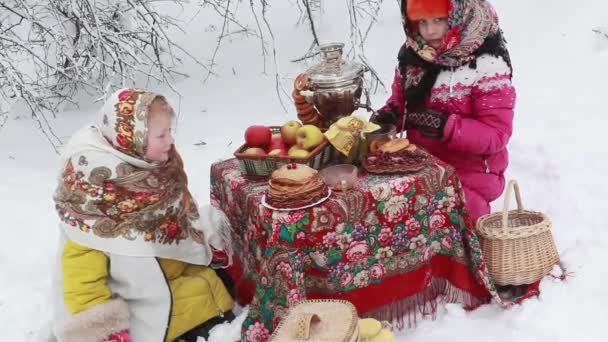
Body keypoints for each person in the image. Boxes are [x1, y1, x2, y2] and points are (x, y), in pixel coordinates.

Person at [51, 88, 235, 342]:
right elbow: (82, 281)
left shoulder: (153, 174)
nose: (170, 140)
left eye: (170, 131)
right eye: (161, 134)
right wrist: (108, 333)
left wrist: (206, 237)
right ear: (132, 139)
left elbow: (171, 229)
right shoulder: (93, 202)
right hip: (153, 322)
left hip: (195, 299)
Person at [372, 0, 516, 223]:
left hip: (470, 174)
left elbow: (497, 134)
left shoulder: (487, 64)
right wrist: (390, 116)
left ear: (459, 15)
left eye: (439, 19)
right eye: (422, 21)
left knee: (452, 220)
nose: (430, 31)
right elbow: (402, 103)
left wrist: (447, 126)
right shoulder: (413, 56)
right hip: (421, 166)